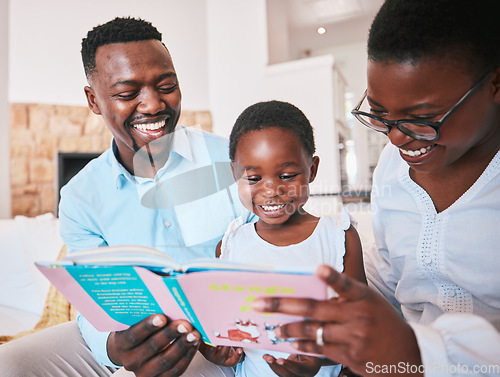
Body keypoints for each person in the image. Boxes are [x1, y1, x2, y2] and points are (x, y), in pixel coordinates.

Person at [251, 1, 500, 376]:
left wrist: (417, 356)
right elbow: (391, 281)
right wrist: (329, 343)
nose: (397, 137)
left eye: (422, 119)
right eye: (381, 114)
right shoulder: (392, 167)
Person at [0, 17, 254, 377]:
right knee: (10, 364)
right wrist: (115, 348)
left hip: (220, 336)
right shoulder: (81, 196)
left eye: (166, 86)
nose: (152, 105)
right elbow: (92, 303)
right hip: (125, 334)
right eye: (126, 93)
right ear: (94, 100)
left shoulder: (233, 160)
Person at [198, 100, 366, 377]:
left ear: (312, 170)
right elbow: (230, 327)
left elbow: (363, 329)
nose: (271, 190)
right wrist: (222, 350)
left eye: (287, 175)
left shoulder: (338, 237)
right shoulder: (229, 245)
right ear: (235, 175)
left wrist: (318, 358)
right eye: (253, 178)